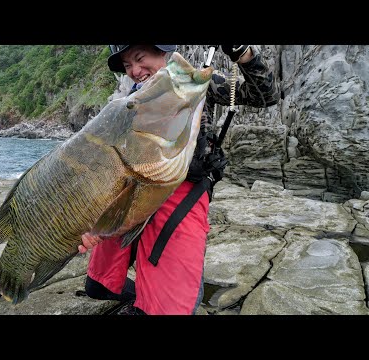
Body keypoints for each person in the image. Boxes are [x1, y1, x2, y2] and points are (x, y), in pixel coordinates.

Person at [78, 45, 280, 315]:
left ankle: (162, 295)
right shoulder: (131, 100)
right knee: (98, 286)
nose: (135, 71)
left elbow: (264, 96)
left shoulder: (193, 82)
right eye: (127, 66)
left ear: (163, 53)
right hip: (137, 191)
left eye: (140, 59)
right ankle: (141, 290)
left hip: (184, 192)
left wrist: (243, 54)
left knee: (168, 308)